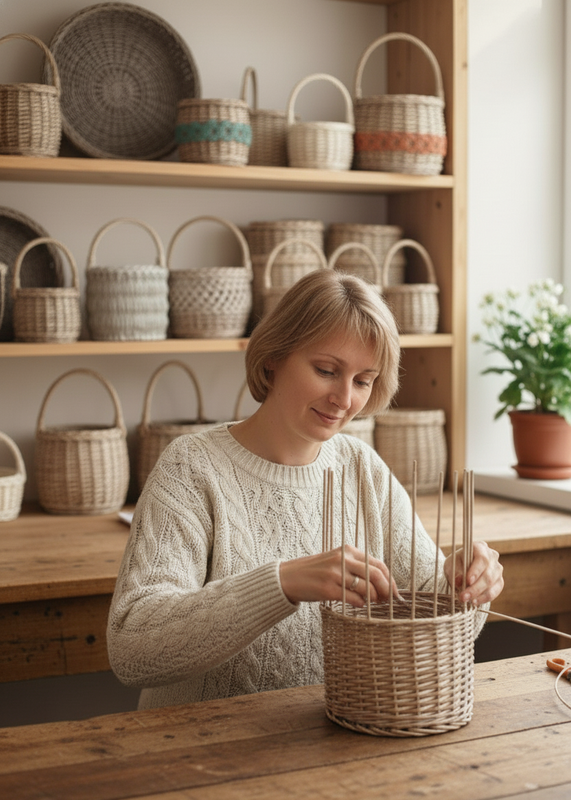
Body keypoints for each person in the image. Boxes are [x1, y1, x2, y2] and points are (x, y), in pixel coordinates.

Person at [107, 269, 503, 709]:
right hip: (201, 753)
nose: (344, 398)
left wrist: (469, 585)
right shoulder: (191, 466)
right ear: (274, 356)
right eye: (326, 370)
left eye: (363, 380)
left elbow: (440, 616)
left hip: (333, 742)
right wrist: (281, 585)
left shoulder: (362, 467)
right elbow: (131, 647)